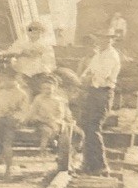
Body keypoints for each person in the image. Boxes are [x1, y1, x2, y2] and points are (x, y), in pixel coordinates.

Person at [77, 31, 121, 174]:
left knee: (94, 127)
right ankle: (88, 164)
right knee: (86, 126)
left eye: (107, 39)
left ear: (112, 40)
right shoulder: (98, 54)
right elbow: (87, 72)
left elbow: (102, 76)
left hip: (103, 93)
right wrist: (85, 78)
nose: (104, 41)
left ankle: (101, 165)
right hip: (93, 92)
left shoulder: (111, 55)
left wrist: (88, 78)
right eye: (101, 38)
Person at [0, 68, 30, 177]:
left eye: (8, 79)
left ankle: (8, 168)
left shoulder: (21, 93)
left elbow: (24, 111)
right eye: (3, 79)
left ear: (15, 79)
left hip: (13, 120)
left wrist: (13, 115)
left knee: (7, 141)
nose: (5, 82)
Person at [3, 20, 56, 94]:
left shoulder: (45, 45)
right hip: (22, 69)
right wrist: (22, 52)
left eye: (37, 30)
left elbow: (49, 61)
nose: (33, 32)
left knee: (40, 82)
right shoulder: (21, 42)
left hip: (39, 71)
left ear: (41, 32)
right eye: (31, 30)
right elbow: (10, 52)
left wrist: (38, 56)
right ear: (28, 32)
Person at [26, 75, 73, 155]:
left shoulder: (58, 100)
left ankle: (53, 143)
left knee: (56, 128)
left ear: (54, 89)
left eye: (49, 88)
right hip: (41, 120)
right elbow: (33, 111)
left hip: (55, 121)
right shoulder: (38, 99)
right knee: (46, 130)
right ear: (41, 89)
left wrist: (55, 118)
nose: (47, 91)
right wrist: (30, 119)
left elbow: (62, 113)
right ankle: (44, 148)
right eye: (44, 88)